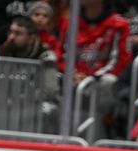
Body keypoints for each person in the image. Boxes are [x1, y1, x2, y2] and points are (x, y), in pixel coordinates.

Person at [56, 0, 132, 140]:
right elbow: (62, 55)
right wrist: (73, 74)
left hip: (100, 85)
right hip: (73, 81)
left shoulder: (119, 24)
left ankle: (102, 136)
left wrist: (90, 78)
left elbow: (121, 61)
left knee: (108, 82)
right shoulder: (70, 22)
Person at [0, 16, 60, 132]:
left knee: (48, 109)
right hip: (6, 104)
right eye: (10, 32)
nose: (11, 37)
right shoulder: (0, 53)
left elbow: (50, 90)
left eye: (18, 34)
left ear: (31, 38)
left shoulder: (46, 56)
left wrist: (20, 100)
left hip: (34, 105)